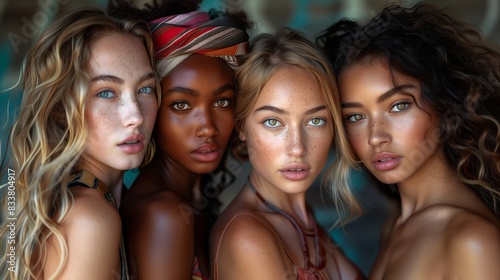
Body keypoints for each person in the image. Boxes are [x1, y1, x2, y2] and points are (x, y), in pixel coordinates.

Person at [317, 3, 500, 279]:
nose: (376, 136)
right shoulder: (398, 222)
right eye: (355, 117)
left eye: (399, 106)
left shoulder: (471, 241)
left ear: (445, 106)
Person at [0, 7, 159, 280]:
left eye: (145, 89)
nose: (135, 115)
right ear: (61, 108)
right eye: (106, 92)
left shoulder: (72, 201)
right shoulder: (90, 217)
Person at [107, 0, 249, 279]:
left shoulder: (190, 201)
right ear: (150, 108)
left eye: (222, 102)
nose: (207, 127)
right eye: (181, 106)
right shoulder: (164, 214)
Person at [209, 27, 364, 280]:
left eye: (315, 121)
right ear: (241, 127)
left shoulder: (300, 217)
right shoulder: (247, 236)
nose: (297, 148)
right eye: (273, 122)